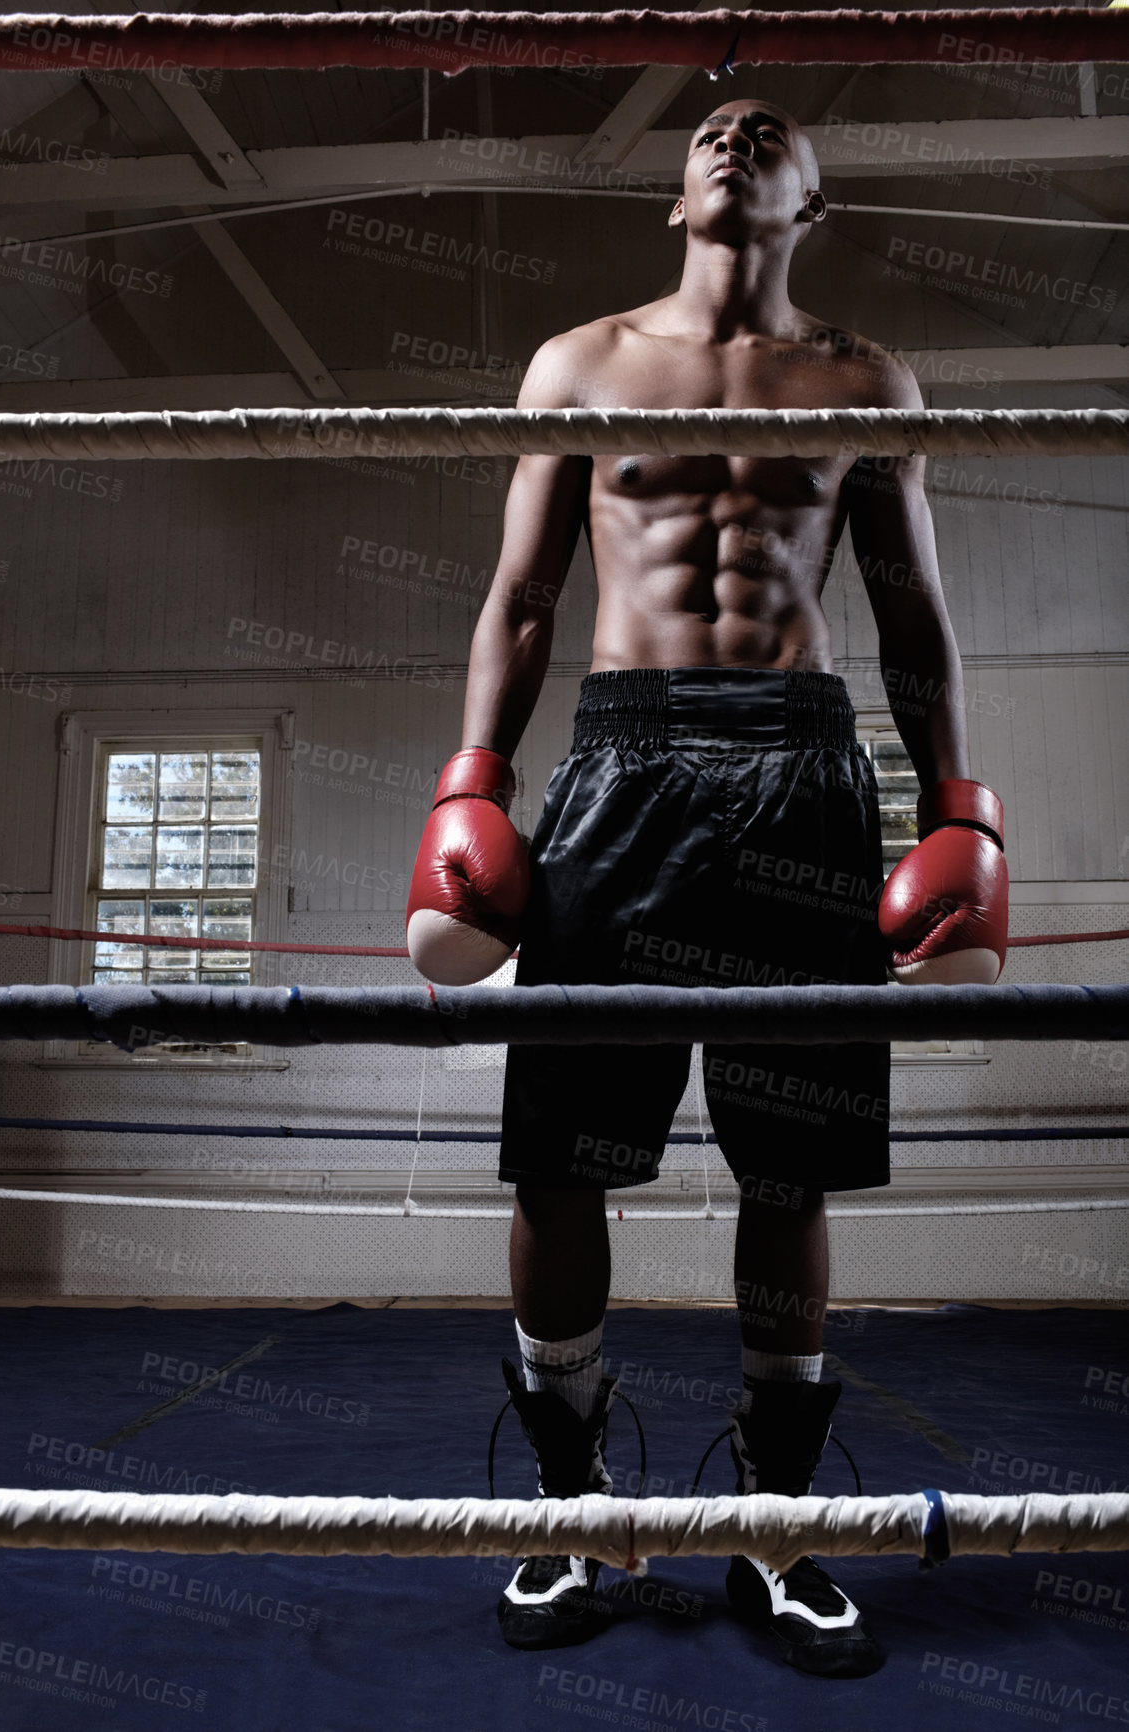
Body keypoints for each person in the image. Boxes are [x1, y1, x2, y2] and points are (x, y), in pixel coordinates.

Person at [407, 98, 1008, 1677]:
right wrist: (475, 780)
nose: (735, 135)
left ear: (813, 192)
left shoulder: (864, 376)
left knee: (787, 1173)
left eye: (770, 129)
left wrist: (957, 809)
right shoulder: (579, 362)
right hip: (626, 757)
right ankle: (573, 1505)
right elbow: (524, 594)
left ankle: (773, 1525)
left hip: (802, 763)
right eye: (711, 127)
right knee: (560, 1160)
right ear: (677, 190)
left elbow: (910, 612)